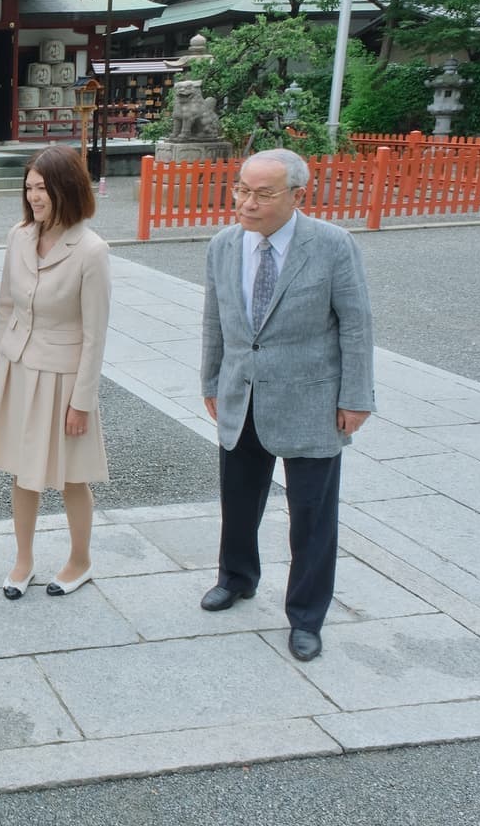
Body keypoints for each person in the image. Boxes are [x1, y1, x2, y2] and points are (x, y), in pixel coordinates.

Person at [199, 148, 375, 662]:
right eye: (241, 190)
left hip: (312, 398)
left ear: (299, 195)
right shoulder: (224, 245)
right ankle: (236, 577)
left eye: (262, 194)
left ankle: (306, 616)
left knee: (312, 516)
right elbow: (214, 319)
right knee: (238, 499)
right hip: (242, 391)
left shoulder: (331, 245)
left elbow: (357, 323)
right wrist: (211, 381)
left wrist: (356, 397)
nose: (246, 203)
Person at [0, 146, 111, 600]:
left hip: (63, 376)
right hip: (18, 366)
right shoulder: (18, 236)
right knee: (21, 469)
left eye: (43, 188)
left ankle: (81, 559)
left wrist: (82, 401)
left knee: (72, 474)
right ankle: (23, 559)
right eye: (30, 188)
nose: (34, 197)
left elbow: (95, 335)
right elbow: (5, 307)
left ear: (66, 189)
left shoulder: (92, 251)